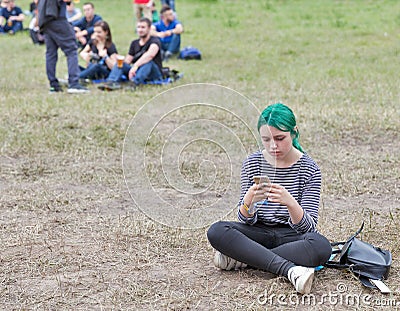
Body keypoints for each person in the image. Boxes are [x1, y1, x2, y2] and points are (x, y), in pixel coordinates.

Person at [207, 103, 332, 295]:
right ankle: (290, 270)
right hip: (257, 233)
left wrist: (291, 203)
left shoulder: (309, 169)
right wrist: (248, 201)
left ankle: (244, 258)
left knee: (321, 246)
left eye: (280, 138)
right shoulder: (253, 163)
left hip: (291, 237)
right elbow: (244, 220)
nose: (273, 146)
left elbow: (309, 228)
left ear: (294, 132)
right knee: (217, 230)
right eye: (266, 139)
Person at [38, 0, 89, 93]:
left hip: (45, 20)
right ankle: (74, 84)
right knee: (72, 50)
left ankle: (53, 85)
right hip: (56, 18)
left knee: (51, 53)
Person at [98, 17, 162, 91]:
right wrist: (117, 59)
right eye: (138, 27)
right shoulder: (134, 43)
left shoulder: (155, 41)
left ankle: (134, 83)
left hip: (153, 72)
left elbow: (150, 55)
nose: (140, 30)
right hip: (137, 71)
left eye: (143, 27)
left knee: (148, 62)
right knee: (121, 63)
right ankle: (111, 82)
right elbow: (128, 60)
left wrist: (135, 66)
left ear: (149, 29)